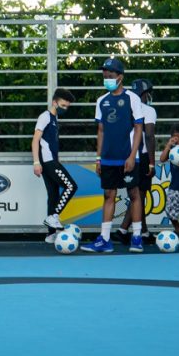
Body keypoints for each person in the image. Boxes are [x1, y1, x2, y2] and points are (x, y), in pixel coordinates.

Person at [81, 57, 145, 254]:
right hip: (108, 157)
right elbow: (100, 131)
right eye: (104, 75)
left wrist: (133, 156)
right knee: (109, 195)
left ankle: (137, 237)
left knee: (134, 194)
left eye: (110, 75)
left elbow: (139, 127)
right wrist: (99, 158)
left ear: (120, 77)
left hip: (127, 156)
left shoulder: (132, 98)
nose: (106, 78)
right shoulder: (101, 101)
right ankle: (105, 239)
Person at [31, 88, 77, 243]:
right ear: (54, 102)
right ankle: (53, 217)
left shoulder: (54, 119)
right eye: (63, 105)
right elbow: (35, 139)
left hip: (51, 161)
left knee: (53, 194)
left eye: (67, 107)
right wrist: (36, 162)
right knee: (71, 186)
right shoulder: (45, 116)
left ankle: (51, 234)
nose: (64, 109)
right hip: (48, 161)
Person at [114, 78, 157, 246]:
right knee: (139, 195)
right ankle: (123, 230)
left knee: (136, 194)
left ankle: (143, 231)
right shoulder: (148, 110)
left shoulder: (125, 108)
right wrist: (152, 162)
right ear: (145, 94)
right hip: (142, 156)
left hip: (125, 154)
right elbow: (149, 135)